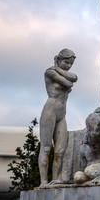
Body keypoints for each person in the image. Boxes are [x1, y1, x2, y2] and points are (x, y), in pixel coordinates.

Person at [38, 49, 77, 187]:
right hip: (50, 110)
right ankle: (43, 182)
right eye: (66, 62)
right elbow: (68, 83)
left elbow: (74, 77)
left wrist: (57, 67)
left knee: (60, 151)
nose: (68, 66)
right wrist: (55, 68)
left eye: (71, 64)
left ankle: (56, 180)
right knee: (46, 148)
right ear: (58, 59)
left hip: (62, 114)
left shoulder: (56, 70)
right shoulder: (50, 72)